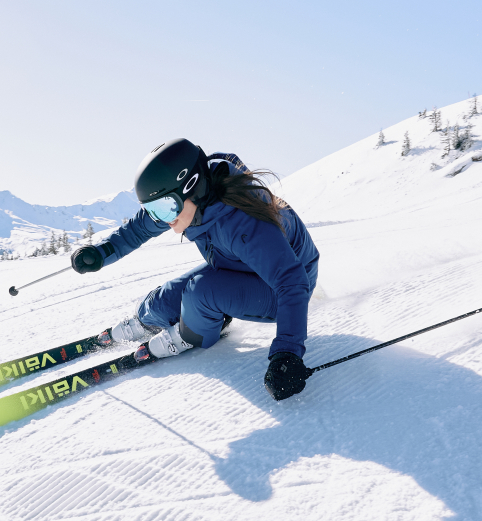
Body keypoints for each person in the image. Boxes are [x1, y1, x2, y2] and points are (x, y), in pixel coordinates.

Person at [69, 138, 319, 400]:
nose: (163, 219)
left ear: (192, 186)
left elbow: (291, 281)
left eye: (165, 208)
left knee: (200, 293)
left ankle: (192, 334)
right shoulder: (185, 205)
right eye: (154, 210)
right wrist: (101, 252)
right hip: (242, 267)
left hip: (282, 291)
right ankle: (148, 320)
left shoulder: (242, 222)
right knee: (162, 300)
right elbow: (139, 227)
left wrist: (287, 354)